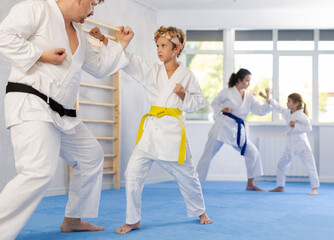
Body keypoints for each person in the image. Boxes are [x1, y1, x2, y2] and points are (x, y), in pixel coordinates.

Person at [0, 0, 133, 239]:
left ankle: (73, 219)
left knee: (90, 155)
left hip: (61, 113)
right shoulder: (36, 9)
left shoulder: (80, 35)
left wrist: (121, 44)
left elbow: (101, 68)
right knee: (38, 171)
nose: (92, 10)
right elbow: (4, 36)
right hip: (32, 104)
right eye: (92, 4)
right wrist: (41, 55)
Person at [91, 25, 212, 234]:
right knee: (132, 173)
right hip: (151, 131)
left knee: (187, 175)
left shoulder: (187, 75)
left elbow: (198, 103)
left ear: (177, 48)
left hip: (172, 132)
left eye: (164, 45)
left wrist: (183, 95)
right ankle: (133, 219)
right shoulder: (151, 70)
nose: (159, 50)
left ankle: (200, 211)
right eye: (157, 45)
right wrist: (103, 39)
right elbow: (128, 60)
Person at [196, 69, 271, 191]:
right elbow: (214, 104)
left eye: (249, 81)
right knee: (207, 155)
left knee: (253, 153)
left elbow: (260, 110)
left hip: (237, 130)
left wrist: (268, 102)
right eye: (247, 80)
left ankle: (250, 183)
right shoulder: (226, 93)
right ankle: (196, 184)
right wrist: (222, 109)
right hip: (222, 127)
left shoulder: (249, 97)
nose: (248, 83)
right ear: (239, 80)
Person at [259, 90, 320, 195]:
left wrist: (295, 125)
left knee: (310, 164)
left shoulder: (301, 116)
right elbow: (278, 107)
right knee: (281, 164)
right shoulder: (288, 112)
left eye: (289, 101)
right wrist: (267, 97)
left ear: (296, 103)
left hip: (301, 143)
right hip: (291, 143)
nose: (287, 103)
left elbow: (309, 128)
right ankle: (280, 186)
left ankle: (315, 188)